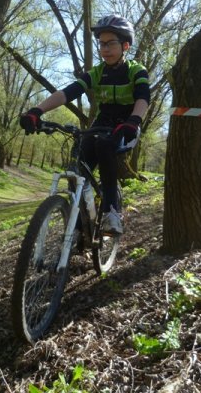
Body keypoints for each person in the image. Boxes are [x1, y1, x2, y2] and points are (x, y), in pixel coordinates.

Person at [20, 14, 150, 235]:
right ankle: (81, 221)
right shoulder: (98, 72)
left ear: (125, 45)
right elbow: (67, 93)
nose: (105, 48)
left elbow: (143, 98)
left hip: (127, 125)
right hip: (102, 123)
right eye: (101, 44)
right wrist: (37, 110)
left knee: (105, 147)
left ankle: (112, 212)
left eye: (111, 43)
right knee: (79, 161)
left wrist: (133, 121)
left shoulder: (136, 70)